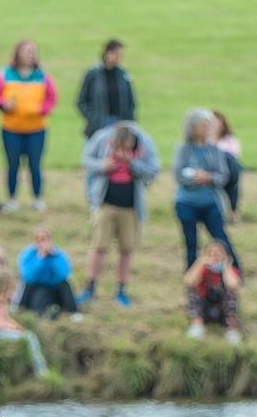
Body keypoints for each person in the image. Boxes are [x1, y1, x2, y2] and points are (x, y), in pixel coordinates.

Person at [78, 120, 161, 307]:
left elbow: (153, 171)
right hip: (105, 204)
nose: (123, 148)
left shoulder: (144, 142)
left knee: (126, 248)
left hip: (131, 208)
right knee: (98, 246)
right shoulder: (102, 138)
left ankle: (121, 290)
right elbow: (86, 159)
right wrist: (102, 166)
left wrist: (132, 164)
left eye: (127, 145)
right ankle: (90, 287)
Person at [0, 40, 57, 212]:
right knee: (12, 165)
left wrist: (42, 109)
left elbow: (51, 98)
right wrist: (3, 105)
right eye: (26, 51)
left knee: (35, 165)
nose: (30, 54)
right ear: (17, 53)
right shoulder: (5, 74)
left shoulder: (42, 75)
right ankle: (11, 198)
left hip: (36, 128)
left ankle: (38, 198)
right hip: (11, 128)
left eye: (33, 51)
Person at [173, 108, 240, 275]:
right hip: (186, 202)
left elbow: (223, 176)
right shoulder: (183, 149)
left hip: (210, 203)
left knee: (221, 239)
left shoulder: (215, 150)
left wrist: (208, 178)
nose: (206, 130)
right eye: (203, 126)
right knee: (191, 243)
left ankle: (235, 273)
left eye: (208, 126)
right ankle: (192, 278)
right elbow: (178, 175)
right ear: (193, 128)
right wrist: (196, 178)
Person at [0, 267, 48, 377]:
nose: (10, 289)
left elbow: (4, 318)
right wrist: (11, 328)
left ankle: (39, 370)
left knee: (29, 336)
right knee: (29, 338)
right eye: (8, 285)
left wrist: (16, 326)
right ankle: (41, 371)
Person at [76, 39, 136, 139]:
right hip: (99, 125)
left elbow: (130, 101)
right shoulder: (93, 74)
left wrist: (129, 122)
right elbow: (81, 101)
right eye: (116, 54)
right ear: (108, 52)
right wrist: (93, 118)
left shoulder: (122, 74)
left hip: (119, 124)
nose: (119, 57)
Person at [184, 239, 241, 343]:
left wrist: (226, 266)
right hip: (205, 306)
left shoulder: (230, 270)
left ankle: (232, 330)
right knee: (193, 290)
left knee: (231, 293)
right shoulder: (203, 269)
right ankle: (197, 325)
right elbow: (188, 281)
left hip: (222, 309)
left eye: (218, 253)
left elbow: (233, 284)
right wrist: (199, 264)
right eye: (210, 253)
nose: (214, 256)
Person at [17, 227, 81, 318]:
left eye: (44, 239)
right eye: (39, 240)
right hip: (37, 287)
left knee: (65, 285)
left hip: (55, 287)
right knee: (38, 297)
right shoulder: (28, 254)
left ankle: (74, 312)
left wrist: (54, 258)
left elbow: (64, 275)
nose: (42, 243)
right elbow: (28, 277)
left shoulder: (59, 254)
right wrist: (40, 258)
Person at [211, 110, 242, 222]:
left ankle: (233, 212)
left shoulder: (229, 139)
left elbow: (235, 155)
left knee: (229, 163)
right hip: (212, 169)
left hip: (228, 170)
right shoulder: (204, 140)